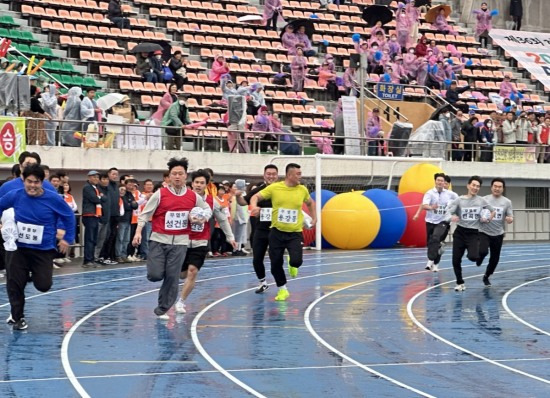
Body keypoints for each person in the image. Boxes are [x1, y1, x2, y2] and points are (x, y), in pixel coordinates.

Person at [132, 157, 211, 320]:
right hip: (159, 240)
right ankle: (156, 276)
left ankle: (163, 308)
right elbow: (145, 214)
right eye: (174, 173)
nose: (177, 176)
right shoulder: (160, 194)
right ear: (169, 176)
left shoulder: (193, 196)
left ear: (185, 176)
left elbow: (207, 209)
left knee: (172, 277)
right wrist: (138, 232)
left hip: (180, 242)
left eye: (180, 174)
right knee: (155, 275)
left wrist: (203, 217)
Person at [0, 164, 75, 330]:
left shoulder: (53, 198)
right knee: (14, 284)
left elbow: (69, 216)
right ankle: (18, 318)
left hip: (43, 249)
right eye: (29, 181)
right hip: (19, 248)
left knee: (43, 285)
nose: (32, 185)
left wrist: (67, 239)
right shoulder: (15, 195)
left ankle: (27, 274)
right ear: (23, 180)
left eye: (36, 182)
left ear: (42, 182)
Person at [249, 163, 316, 301]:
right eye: (298, 174)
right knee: (275, 265)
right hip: (276, 232)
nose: (300, 176)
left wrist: (315, 218)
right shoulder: (275, 188)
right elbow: (255, 197)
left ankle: (292, 262)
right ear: (289, 175)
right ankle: (282, 289)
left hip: (295, 233)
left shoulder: (302, 189)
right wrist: (254, 206)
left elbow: (310, 203)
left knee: (297, 261)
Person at [175, 170, 236, 313]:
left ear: (206, 185)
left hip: (200, 242)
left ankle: (181, 301)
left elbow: (222, 219)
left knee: (192, 271)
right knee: (181, 274)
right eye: (196, 182)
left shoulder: (211, 201)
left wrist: (230, 237)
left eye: (202, 183)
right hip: (182, 241)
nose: (198, 185)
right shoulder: (184, 198)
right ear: (192, 183)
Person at [445, 176, 494, 291]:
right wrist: (451, 217)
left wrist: (487, 219)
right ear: (468, 186)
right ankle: (460, 282)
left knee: (473, 257)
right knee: (456, 259)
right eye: (473, 185)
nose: (475, 188)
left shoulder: (482, 201)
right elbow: (448, 212)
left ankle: (476, 256)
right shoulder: (459, 200)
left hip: (473, 233)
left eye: (478, 186)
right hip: (460, 232)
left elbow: (492, 211)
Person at [235, 165, 279, 293]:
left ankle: (281, 283)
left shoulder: (282, 190)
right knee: (257, 258)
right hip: (260, 229)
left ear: (277, 175)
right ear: (264, 175)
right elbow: (243, 202)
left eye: (273, 174)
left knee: (275, 258)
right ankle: (263, 282)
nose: (271, 176)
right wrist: (238, 196)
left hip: (276, 229)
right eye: (268, 174)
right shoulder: (259, 191)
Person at [412, 173, 457, 272]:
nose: (442, 183)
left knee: (436, 238)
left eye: (443, 181)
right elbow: (424, 205)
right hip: (430, 221)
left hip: (443, 222)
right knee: (432, 242)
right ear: (435, 181)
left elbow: (459, 201)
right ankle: (434, 260)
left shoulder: (450, 194)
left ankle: (432, 262)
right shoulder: (429, 193)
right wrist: (429, 208)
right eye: (439, 180)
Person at [476, 178, 514, 286]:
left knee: (495, 258)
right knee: (483, 251)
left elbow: (510, 216)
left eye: (499, 187)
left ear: (503, 188)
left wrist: (510, 219)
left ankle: (486, 276)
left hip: (498, 233)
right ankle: (480, 257)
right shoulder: (484, 200)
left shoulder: (507, 202)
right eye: (495, 186)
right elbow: (477, 213)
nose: (497, 188)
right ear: (491, 187)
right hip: (484, 231)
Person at [81, 171, 106, 267]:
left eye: (97, 177)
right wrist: (100, 197)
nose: (96, 179)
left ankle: (91, 259)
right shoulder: (87, 187)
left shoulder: (96, 188)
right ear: (89, 177)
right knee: (90, 238)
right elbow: (95, 199)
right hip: (89, 214)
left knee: (94, 239)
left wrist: (99, 197)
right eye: (94, 177)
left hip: (95, 214)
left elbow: (103, 198)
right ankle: (87, 260)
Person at [99, 167, 120, 265]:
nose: (115, 176)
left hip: (115, 215)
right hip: (108, 215)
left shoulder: (116, 186)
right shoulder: (106, 187)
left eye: (116, 174)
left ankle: (109, 256)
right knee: (105, 237)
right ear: (108, 174)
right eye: (113, 174)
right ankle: (103, 256)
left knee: (112, 236)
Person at [115, 182, 138, 263]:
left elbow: (135, 206)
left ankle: (124, 255)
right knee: (120, 239)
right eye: (121, 189)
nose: (123, 191)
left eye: (124, 190)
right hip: (121, 220)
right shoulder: (119, 198)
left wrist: (131, 204)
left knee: (126, 240)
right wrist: (130, 204)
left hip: (128, 220)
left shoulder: (129, 195)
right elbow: (127, 206)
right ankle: (118, 255)